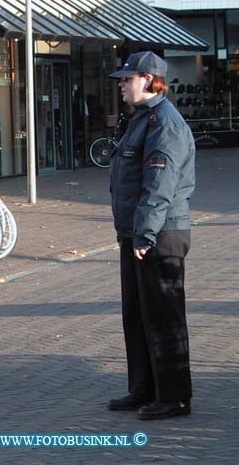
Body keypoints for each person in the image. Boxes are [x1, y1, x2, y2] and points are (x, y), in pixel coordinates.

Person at [107, 51, 196, 420]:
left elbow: (159, 185)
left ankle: (174, 396)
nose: (122, 85)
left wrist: (144, 235)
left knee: (163, 316)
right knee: (138, 315)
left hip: (159, 234)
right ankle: (144, 388)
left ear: (148, 79)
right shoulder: (141, 119)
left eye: (127, 79)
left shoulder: (164, 123)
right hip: (138, 233)